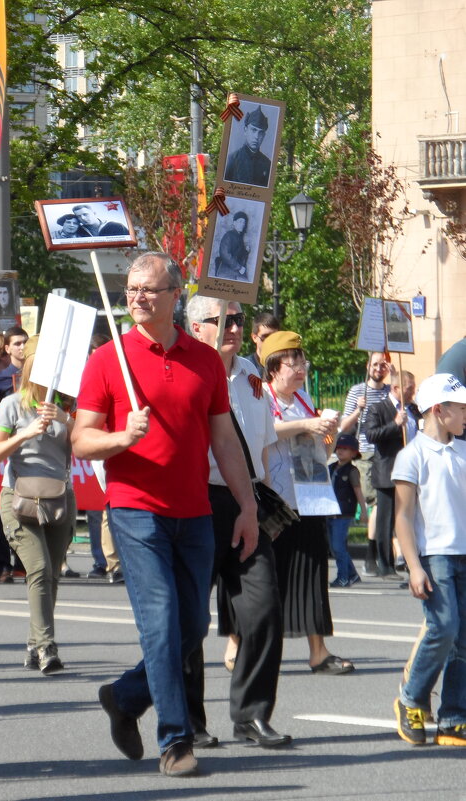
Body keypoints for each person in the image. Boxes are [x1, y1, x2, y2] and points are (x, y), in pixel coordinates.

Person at [72, 253, 258, 778]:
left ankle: (126, 696)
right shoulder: (109, 358)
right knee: (160, 623)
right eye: (130, 289)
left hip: (195, 511)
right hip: (135, 511)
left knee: (191, 625)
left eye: (148, 290)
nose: (136, 298)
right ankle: (176, 740)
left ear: (175, 295)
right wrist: (120, 437)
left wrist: (246, 506)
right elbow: (81, 439)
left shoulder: (203, 360)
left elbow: (224, 440)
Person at [182, 296, 290, 750]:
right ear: (194, 327)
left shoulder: (250, 374)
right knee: (189, 620)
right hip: (197, 499)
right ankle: (188, 722)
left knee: (263, 608)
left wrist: (260, 496)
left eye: (238, 319)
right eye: (220, 319)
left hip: (244, 500)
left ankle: (251, 715)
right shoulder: (187, 369)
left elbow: (261, 444)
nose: (231, 326)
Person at [262, 331, 354, 676]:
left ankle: (318, 651)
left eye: (303, 361)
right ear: (273, 367)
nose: (300, 368)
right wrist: (306, 424)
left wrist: (327, 435)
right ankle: (242, 644)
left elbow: (320, 452)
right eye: (293, 361)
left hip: (309, 497)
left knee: (314, 573)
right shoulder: (262, 396)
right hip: (275, 499)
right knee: (265, 577)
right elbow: (264, 431)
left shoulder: (303, 399)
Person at [0, 335, 75, 674]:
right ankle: (47, 647)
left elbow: (86, 445)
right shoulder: (12, 405)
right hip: (18, 497)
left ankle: (33, 642)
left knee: (50, 576)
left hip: (59, 498)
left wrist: (66, 420)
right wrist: (23, 434)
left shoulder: (68, 405)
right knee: (37, 569)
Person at [391, 372, 466, 747]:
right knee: (444, 627)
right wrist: (414, 566)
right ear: (439, 409)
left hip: (465, 552)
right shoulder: (412, 454)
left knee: (464, 638)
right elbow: (403, 516)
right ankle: (411, 699)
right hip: (435, 555)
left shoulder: (464, 451)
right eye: (461, 407)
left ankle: (453, 717)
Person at [365, 369, 420, 579]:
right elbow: (371, 435)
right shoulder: (379, 408)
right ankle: (385, 564)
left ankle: (409, 559)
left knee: (411, 517)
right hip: (389, 471)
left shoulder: (413, 409)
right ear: (396, 388)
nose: (413, 391)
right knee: (386, 520)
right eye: (409, 388)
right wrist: (395, 424)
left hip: (413, 472)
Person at [340, 352, 391, 575]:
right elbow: (343, 426)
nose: (379, 369)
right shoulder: (357, 391)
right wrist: (358, 410)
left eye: (384, 365)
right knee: (374, 504)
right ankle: (371, 555)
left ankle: (381, 554)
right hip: (366, 455)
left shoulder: (390, 392)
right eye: (376, 364)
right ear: (368, 366)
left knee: (383, 506)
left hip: (388, 455)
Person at [328, 433, 366, 587]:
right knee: (335, 547)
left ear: (353, 453)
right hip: (329, 511)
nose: (340, 451)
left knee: (338, 546)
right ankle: (352, 574)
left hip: (343, 513)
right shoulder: (330, 467)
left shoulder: (352, 471)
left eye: (345, 449)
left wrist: (363, 510)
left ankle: (343, 577)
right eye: (339, 448)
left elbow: (358, 491)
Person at [224, 106, 272, 187]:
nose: (256, 137)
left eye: (260, 133)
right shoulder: (232, 159)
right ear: (245, 130)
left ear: (263, 135)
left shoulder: (267, 164)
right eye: (253, 130)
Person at [0, 326, 29, 406]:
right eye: (17, 344)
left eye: (26, 342)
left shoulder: (38, 377)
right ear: (7, 349)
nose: (23, 347)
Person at [214, 212, 251, 280]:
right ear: (234, 223)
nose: (242, 224)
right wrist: (239, 267)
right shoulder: (228, 235)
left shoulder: (239, 237)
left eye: (244, 223)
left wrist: (245, 251)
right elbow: (225, 254)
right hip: (226, 272)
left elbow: (239, 255)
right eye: (240, 221)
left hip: (236, 272)